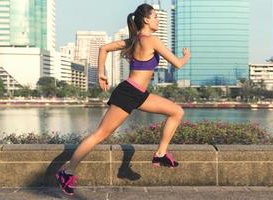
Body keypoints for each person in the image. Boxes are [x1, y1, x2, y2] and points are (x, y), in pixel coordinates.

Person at [56, 3, 191, 195]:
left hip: (139, 94)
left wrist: (102, 73)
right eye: (155, 17)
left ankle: (160, 154)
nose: (157, 20)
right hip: (129, 93)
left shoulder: (133, 41)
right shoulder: (151, 40)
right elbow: (177, 64)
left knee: (176, 111)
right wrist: (186, 56)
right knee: (100, 134)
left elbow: (103, 48)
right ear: (146, 20)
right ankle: (66, 172)